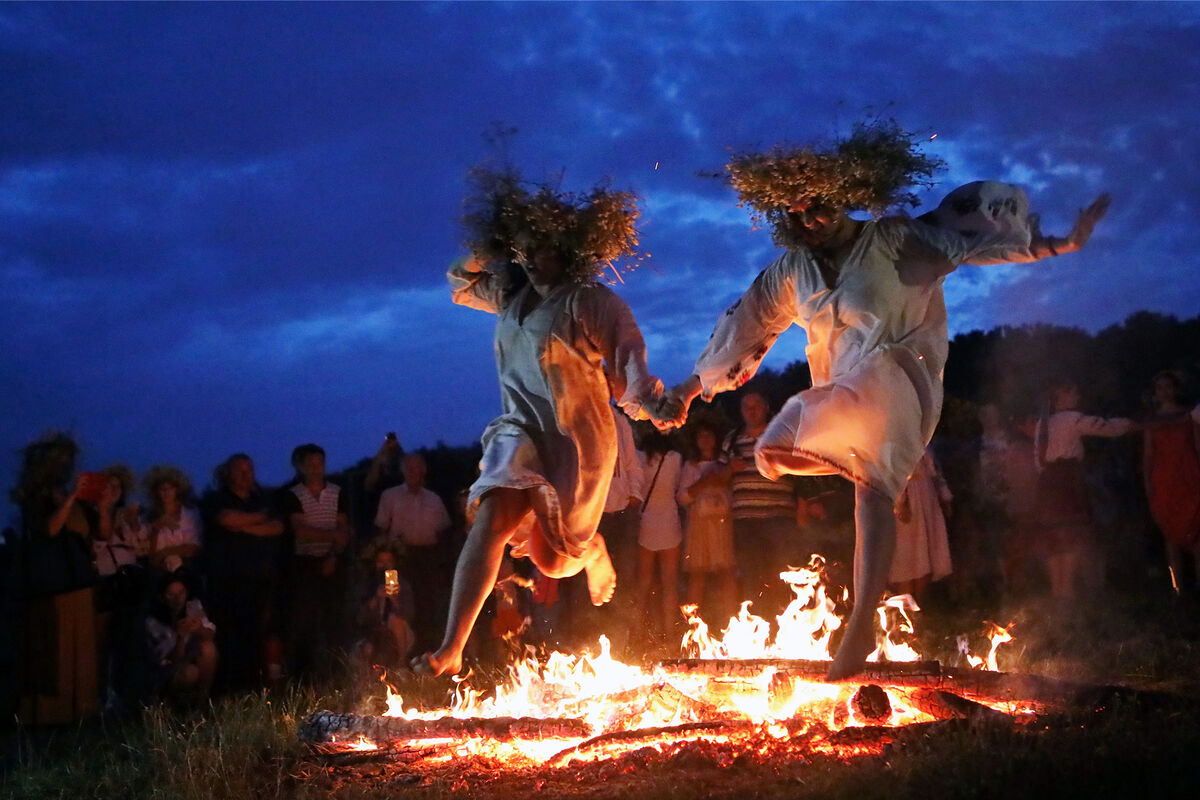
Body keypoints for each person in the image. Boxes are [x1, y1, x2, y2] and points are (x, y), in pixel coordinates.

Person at [660, 121, 1111, 678]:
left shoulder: (892, 237)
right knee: (770, 454)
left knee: (866, 492)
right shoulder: (791, 270)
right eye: (795, 215)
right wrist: (684, 390)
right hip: (839, 390)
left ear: (844, 197)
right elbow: (743, 329)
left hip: (896, 374)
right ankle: (882, 479)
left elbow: (970, 247)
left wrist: (1060, 244)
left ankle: (861, 622)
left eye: (818, 208)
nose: (808, 222)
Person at [413, 167, 670, 676]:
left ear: (570, 249)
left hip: (576, 440)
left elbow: (629, 357)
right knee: (492, 517)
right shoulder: (510, 295)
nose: (532, 262)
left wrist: (652, 401)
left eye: (543, 250)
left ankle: (592, 550)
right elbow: (458, 282)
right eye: (524, 251)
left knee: (555, 560)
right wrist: (490, 245)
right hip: (519, 431)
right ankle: (452, 647)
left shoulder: (589, 301)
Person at [11, 433, 100, 724]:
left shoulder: (68, 495)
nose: (67, 465)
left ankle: (80, 711)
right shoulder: (35, 495)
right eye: (62, 459)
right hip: (53, 584)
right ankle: (51, 716)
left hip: (78, 580)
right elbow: (48, 530)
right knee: (56, 648)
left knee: (81, 646)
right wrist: (71, 498)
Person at [1034, 380, 1135, 600]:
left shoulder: (1043, 423)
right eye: (1073, 393)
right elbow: (1106, 427)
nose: (1077, 397)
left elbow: (1038, 460)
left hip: (1048, 483)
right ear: (1061, 397)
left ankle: (1057, 594)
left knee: (1054, 538)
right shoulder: (1072, 418)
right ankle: (1066, 594)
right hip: (1067, 482)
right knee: (1070, 536)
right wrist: (1133, 423)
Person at [201, 453, 285, 691]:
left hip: (258, 579)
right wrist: (258, 520)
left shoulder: (263, 498)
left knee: (255, 634)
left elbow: (276, 528)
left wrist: (244, 527)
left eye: (249, 470)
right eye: (240, 470)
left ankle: (254, 687)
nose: (246, 475)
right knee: (227, 635)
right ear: (228, 473)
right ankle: (225, 689)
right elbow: (227, 519)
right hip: (225, 581)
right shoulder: (216, 498)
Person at [722, 390, 801, 613]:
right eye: (746, 406)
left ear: (766, 407)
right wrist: (730, 469)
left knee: (782, 574)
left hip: (779, 518)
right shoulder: (733, 439)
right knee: (750, 575)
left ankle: (785, 624)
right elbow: (720, 477)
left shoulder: (782, 435)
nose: (751, 410)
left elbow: (801, 472)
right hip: (745, 520)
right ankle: (757, 627)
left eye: (756, 404)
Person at [282, 443, 350, 680]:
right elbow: (300, 530)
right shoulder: (292, 494)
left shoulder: (337, 492)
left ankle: (337, 673)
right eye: (310, 464)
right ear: (300, 466)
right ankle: (303, 676)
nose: (315, 468)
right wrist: (332, 535)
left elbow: (344, 529)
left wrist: (332, 553)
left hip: (332, 562)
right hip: (303, 565)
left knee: (336, 619)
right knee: (304, 621)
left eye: (319, 463)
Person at [374, 453, 452, 654]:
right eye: (408, 467)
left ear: (424, 470)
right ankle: (397, 655)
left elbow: (444, 530)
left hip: (427, 558)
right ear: (402, 471)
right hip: (399, 559)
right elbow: (381, 528)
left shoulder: (434, 499)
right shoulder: (390, 496)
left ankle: (426, 652)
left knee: (427, 603)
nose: (412, 471)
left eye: (416, 467)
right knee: (396, 603)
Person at [1141, 371, 1200, 597]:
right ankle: (1177, 589)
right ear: (1155, 394)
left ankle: (1198, 586)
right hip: (1164, 481)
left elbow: (1198, 446)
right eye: (1160, 388)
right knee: (1170, 534)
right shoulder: (1151, 421)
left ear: (1175, 389)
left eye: (1168, 386)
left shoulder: (1188, 416)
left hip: (1189, 477)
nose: (1164, 391)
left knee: (1196, 532)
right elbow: (1148, 455)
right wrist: (1148, 483)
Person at [678, 422, 737, 621]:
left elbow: (732, 494)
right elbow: (682, 497)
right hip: (699, 527)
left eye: (709, 435)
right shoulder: (690, 467)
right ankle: (692, 625)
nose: (705, 439)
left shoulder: (724, 465)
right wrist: (703, 483)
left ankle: (732, 621)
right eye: (701, 436)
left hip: (721, 526)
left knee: (726, 574)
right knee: (697, 576)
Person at [635, 429, 684, 640]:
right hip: (669, 521)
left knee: (643, 582)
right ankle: (670, 632)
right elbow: (677, 487)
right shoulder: (676, 458)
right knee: (670, 582)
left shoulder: (638, 457)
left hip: (645, 521)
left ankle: (636, 632)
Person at [144, 570, 217, 707]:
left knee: (208, 648)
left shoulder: (193, 606)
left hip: (189, 657)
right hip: (165, 669)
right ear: (162, 597)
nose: (177, 598)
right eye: (171, 594)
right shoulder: (154, 622)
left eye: (181, 592)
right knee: (190, 673)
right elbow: (171, 660)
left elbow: (211, 633)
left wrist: (199, 628)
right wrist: (180, 638)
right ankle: (173, 707)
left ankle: (202, 702)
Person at [889, 447, 953, 602]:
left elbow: (934, 470)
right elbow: (893, 471)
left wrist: (944, 496)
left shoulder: (922, 439)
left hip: (925, 497)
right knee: (907, 559)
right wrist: (899, 503)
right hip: (910, 501)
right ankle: (904, 607)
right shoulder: (896, 440)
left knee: (924, 557)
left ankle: (919, 608)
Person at [142, 464, 203, 575]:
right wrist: (156, 529)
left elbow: (195, 547)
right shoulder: (149, 516)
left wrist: (165, 552)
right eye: (162, 489)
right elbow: (150, 555)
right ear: (156, 492)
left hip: (187, 569)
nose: (166, 492)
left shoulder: (191, 513)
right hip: (159, 571)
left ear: (177, 490)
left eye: (170, 488)